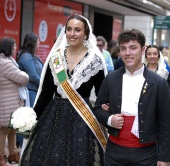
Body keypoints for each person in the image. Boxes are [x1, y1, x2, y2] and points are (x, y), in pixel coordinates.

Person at [19, 14, 108, 166]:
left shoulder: (95, 60)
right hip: (55, 117)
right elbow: (46, 94)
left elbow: (102, 95)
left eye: (77, 30)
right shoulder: (56, 58)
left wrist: (107, 115)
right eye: (69, 29)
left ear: (86, 33)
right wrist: (31, 119)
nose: (72, 34)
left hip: (83, 119)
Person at [94, 29, 170, 166]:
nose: (127, 53)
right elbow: (98, 109)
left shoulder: (158, 83)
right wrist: (110, 119)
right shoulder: (111, 79)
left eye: (133, 48)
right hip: (114, 153)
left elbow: (166, 122)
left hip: (146, 154)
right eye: (123, 49)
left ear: (143, 50)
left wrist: (164, 158)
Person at [0, 37, 29, 166]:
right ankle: (1, 157)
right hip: (6, 101)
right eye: (14, 45)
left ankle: (13, 154)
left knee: (11, 129)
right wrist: (21, 77)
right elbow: (24, 78)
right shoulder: (4, 63)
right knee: (4, 130)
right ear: (8, 47)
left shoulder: (8, 60)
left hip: (10, 100)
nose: (16, 47)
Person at [17, 33, 43, 108]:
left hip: (36, 90)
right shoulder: (26, 56)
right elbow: (32, 76)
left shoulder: (34, 56)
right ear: (32, 43)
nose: (39, 43)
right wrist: (43, 85)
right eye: (38, 41)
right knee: (32, 114)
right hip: (30, 91)